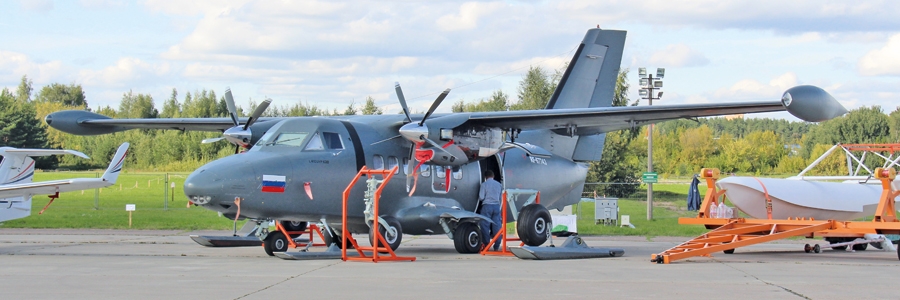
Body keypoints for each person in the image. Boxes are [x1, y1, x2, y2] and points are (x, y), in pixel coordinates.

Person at [478, 170, 503, 251]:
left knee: (485, 225)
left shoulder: (484, 184)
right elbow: (500, 198)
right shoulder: (499, 185)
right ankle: (497, 246)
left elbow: (481, 197)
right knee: (497, 226)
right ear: (493, 176)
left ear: (485, 177)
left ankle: (486, 245)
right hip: (496, 206)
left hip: (487, 206)